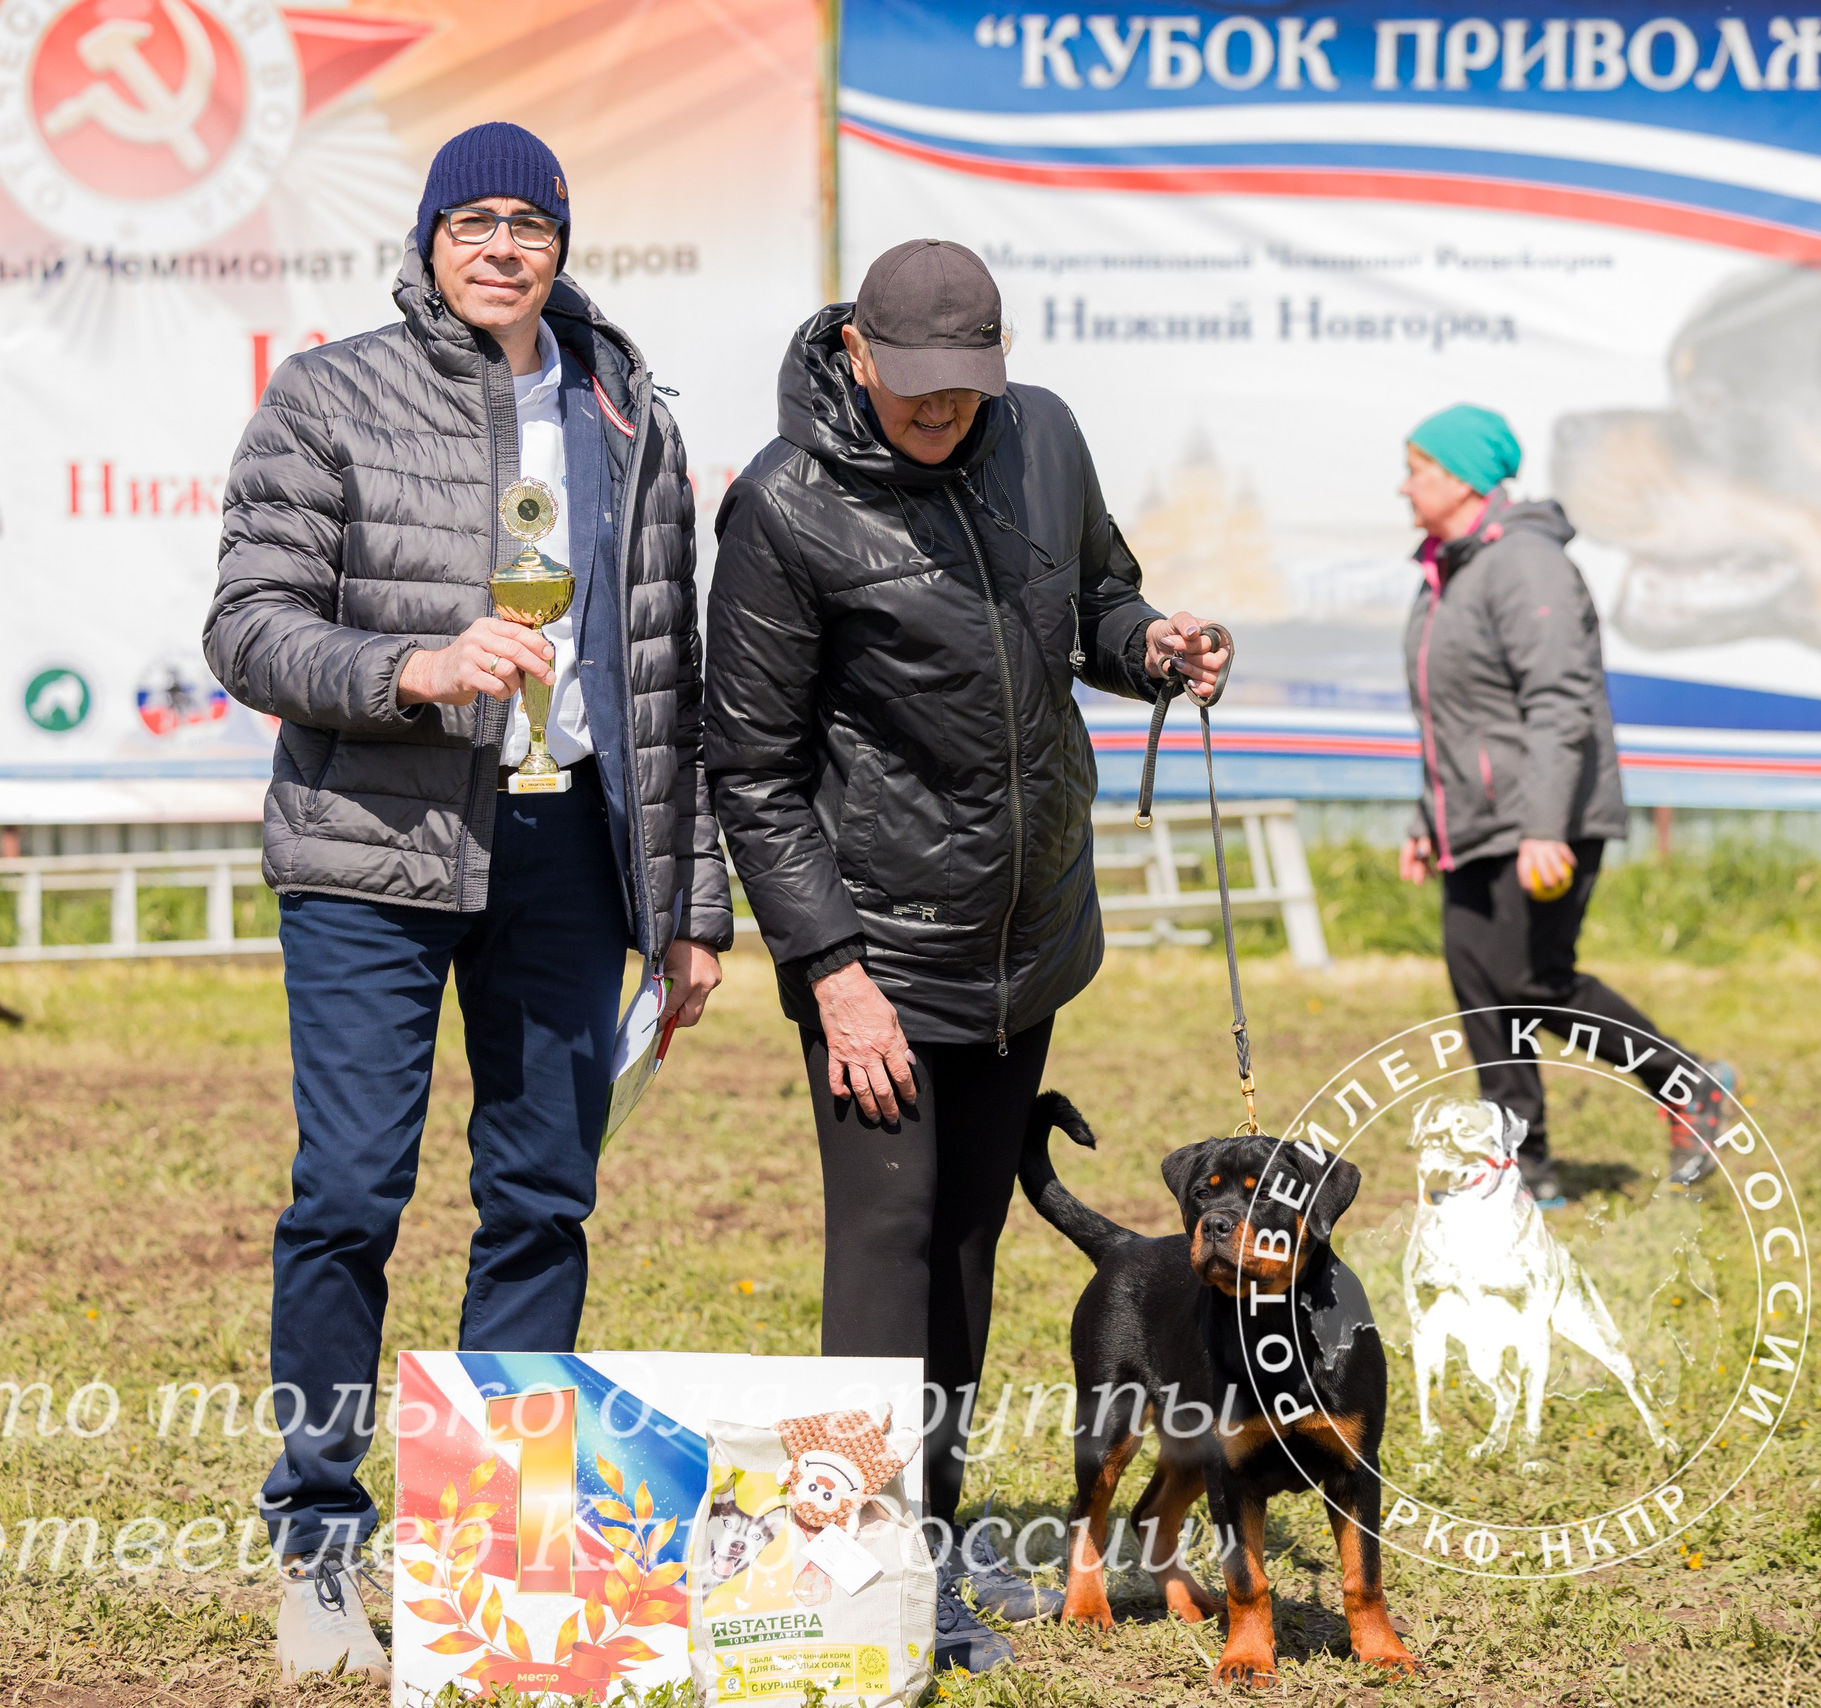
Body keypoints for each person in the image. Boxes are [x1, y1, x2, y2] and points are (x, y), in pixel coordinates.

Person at [203, 122, 731, 1680]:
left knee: (543, 1199)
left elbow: (667, 676)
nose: (504, 246)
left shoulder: (630, 412)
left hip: (571, 858)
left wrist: (687, 902)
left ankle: (498, 1543)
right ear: (430, 238)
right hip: (372, 847)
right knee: (352, 1195)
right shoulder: (329, 393)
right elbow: (248, 629)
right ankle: (318, 1544)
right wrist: (414, 667)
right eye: (474, 221)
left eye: (532, 223)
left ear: (561, 241)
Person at [705, 238, 1233, 1673]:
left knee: (968, 1244)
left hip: (1028, 936)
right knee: (883, 1250)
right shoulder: (782, 505)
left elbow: (1099, 606)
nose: (943, 418)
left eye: (966, 393)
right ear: (858, 351)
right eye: (916, 392)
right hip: (878, 954)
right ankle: (859, 1573)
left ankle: (926, 1544)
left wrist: (1157, 647)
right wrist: (830, 970)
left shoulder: (1043, 435)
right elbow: (749, 765)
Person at [1394, 403, 1736, 1206]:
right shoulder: (1451, 568)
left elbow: (1560, 701)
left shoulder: (1526, 564)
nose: (1403, 485)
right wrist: (1425, 819)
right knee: (1482, 988)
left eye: (1417, 469)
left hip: (1542, 819)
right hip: (1475, 822)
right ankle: (1522, 1164)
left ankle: (1690, 1085)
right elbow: (1452, 715)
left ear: (1464, 478)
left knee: (1532, 983)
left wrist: (1543, 826)